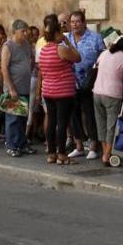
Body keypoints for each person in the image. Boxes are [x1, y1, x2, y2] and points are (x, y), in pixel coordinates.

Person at [37, 14, 81, 165]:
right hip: (63, 92)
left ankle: (51, 154)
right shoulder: (61, 49)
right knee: (62, 123)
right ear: (56, 34)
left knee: (51, 122)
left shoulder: (43, 51)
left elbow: (42, 72)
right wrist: (68, 42)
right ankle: (62, 154)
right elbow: (77, 57)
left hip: (48, 91)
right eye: (61, 32)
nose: (63, 34)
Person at [67, 10, 105, 160]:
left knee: (90, 115)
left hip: (89, 83)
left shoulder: (95, 38)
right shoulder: (66, 38)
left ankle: (94, 147)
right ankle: (79, 146)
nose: (75, 24)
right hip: (71, 82)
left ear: (84, 22)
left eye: (77, 21)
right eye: (72, 22)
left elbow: (102, 57)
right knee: (73, 115)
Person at [93, 36, 123, 166]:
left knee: (101, 124)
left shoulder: (104, 53)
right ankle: (107, 155)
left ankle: (105, 152)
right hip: (113, 94)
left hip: (97, 92)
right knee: (111, 126)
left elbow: (96, 67)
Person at [1, 19, 35, 157]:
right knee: (13, 118)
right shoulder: (8, 46)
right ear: (15, 31)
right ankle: (12, 145)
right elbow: (4, 68)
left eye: (26, 30)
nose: (26, 33)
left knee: (22, 118)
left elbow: (30, 60)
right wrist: (11, 89)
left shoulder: (26, 44)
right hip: (13, 88)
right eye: (23, 31)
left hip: (25, 87)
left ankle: (21, 144)